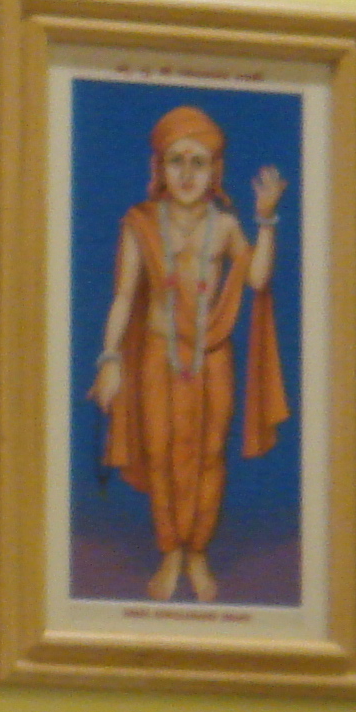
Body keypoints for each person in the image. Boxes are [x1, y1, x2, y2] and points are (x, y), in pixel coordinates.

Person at [91, 104, 288, 604]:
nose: (186, 174)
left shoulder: (224, 227)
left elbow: (259, 279)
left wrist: (265, 221)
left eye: (198, 162)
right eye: (176, 160)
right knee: (159, 454)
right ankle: (169, 553)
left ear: (215, 171)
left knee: (209, 456)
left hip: (212, 358)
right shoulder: (140, 224)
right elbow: (122, 298)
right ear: (159, 167)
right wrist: (110, 360)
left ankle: (197, 552)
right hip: (157, 356)